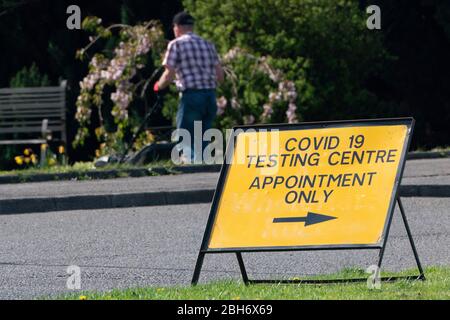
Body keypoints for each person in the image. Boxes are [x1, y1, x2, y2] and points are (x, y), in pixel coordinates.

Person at [154, 11, 224, 163]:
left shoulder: (176, 44)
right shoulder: (208, 44)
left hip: (191, 96)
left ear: (177, 27)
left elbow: (169, 73)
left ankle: (190, 167)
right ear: (192, 26)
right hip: (210, 96)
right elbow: (220, 76)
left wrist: (158, 86)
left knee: (185, 134)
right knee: (203, 135)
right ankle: (204, 166)